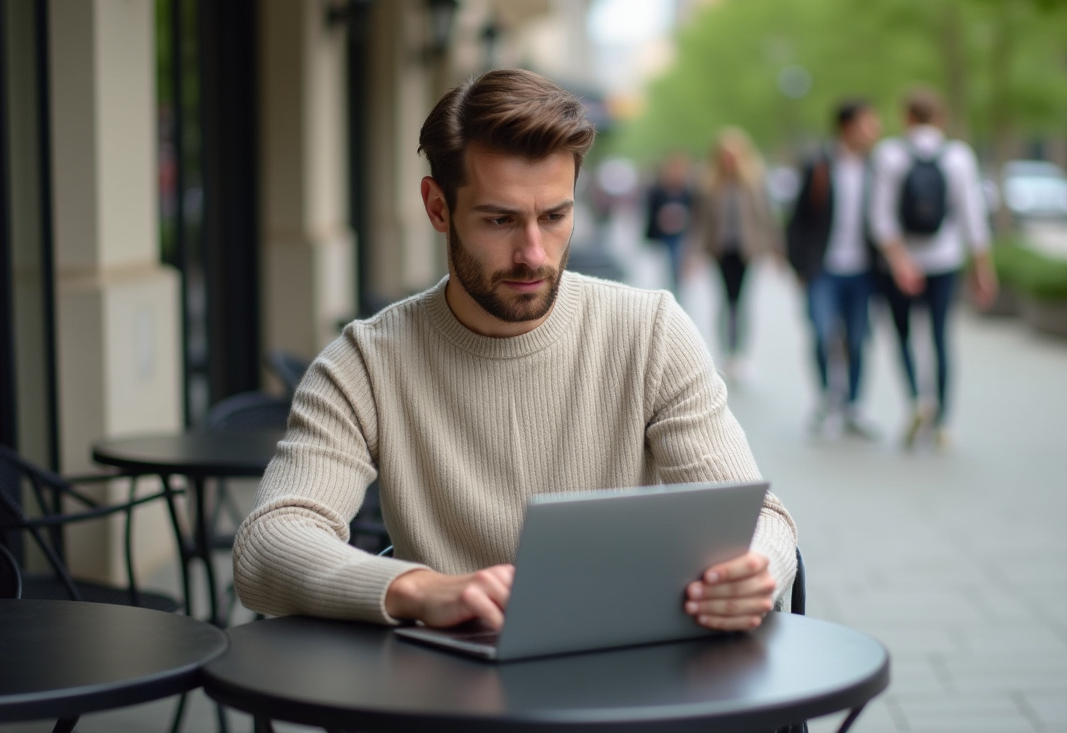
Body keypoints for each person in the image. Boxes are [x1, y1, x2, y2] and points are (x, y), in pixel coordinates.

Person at [233, 70, 797, 633]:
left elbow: (762, 521)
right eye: (500, 220)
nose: (533, 254)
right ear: (437, 208)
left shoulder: (651, 333)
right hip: (447, 678)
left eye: (554, 217)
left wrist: (753, 570)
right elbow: (269, 543)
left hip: (624, 669)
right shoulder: (365, 363)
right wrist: (417, 589)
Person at [869, 88, 997, 448]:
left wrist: (901, 264)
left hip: (900, 266)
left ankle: (916, 400)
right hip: (945, 260)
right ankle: (943, 421)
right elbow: (973, 217)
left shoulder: (889, 154)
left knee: (903, 336)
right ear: (940, 118)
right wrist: (983, 269)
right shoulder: (958, 156)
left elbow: (880, 219)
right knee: (941, 338)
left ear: (907, 117)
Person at [785, 100, 882, 437]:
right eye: (868, 123)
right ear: (848, 126)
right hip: (823, 270)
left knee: (856, 339)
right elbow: (797, 220)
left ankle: (853, 406)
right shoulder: (819, 165)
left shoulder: (876, 167)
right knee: (823, 333)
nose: (875, 130)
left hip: (863, 272)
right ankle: (827, 400)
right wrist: (799, 267)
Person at [690, 127, 779, 381]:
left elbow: (767, 218)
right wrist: (694, 253)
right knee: (724, 301)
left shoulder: (754, 182)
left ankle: (740, 354)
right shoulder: (709, 184)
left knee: (741, 302)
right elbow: (700, 222)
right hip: (720, 251)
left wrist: (775, 249)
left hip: (746, 250)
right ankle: (726, 354)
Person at [643, 152, 695, 295]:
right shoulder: (658, 190)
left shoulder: (688, 191)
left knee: (677, 268)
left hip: (680, 236)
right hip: (661, 236)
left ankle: (676, 292)